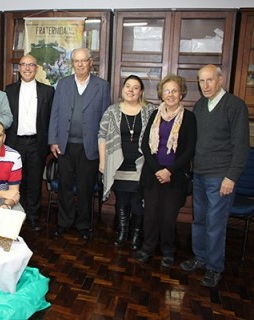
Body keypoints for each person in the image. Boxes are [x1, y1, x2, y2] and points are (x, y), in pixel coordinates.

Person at [180, 65, 250, 287]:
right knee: (199, 219)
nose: (206, 85)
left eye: (210, 80)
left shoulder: (235, 106)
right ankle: (200, 257)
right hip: (200, 174)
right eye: (201, 81)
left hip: (221, 177)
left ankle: (214, 267)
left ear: (221, 79)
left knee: (215, 224)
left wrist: (231, 177)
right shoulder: (201, 105)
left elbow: (241, 147)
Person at [133, 74, 196, 267]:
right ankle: (148, 247)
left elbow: (189, 150)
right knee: (150, 214)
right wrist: (158, 169)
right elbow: (145, 144)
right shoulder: (155, 115)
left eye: (175, 91)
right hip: (152, 174)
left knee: (168, 217)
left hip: (175, 176)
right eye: (167, 91)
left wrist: (169, 171)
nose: (170, 95)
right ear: (161, 94)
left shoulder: (189, 118)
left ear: (181, 93)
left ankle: (168, 250)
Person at [48, 47, 111, 240]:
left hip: (89, 146)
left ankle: (84, 225)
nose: (80, 64)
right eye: (77, 61)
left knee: (85, 187)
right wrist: (53, 141)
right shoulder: (63, 84)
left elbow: (105, 118)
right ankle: (64, 222)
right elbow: (55, 113)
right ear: (72, 63)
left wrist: (103, 148)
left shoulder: (102, 86)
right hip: (65, 145)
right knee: (65, 187)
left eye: (84, 61)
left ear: (90, 62)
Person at [98, 75, 155, 250]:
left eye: (135, 87)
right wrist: (102, 161)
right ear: (122, 89)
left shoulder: (150, 111)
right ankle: (123, 232)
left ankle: (136, 234)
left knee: (137, 201)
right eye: (127, 86)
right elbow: (102, 136)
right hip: (118, 164)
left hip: (142, 164)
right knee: (122, 200)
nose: (130, 90)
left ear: (141, 92)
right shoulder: (112, 111)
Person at [5, 54, 54, 231]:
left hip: (36, 142)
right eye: (23, 65)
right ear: (18, 68)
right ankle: (18, 215)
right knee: (16, 181)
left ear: (36, 68)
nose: (27, 68)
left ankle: (33, 217)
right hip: (14, 142)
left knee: (34, 182)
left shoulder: (48, 91)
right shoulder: (8, 90)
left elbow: (52, 119)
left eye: (31, 65)